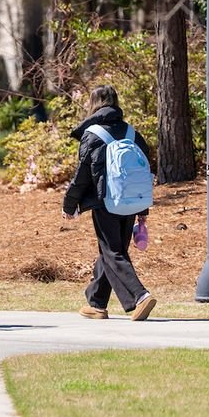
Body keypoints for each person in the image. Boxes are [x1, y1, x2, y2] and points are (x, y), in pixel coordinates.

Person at [62, 85, 157, 322]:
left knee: (112, 251)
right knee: (114, 251)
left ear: (93, 104)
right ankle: (97, 303)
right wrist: (142, 207)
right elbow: (142, 171)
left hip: (105, 202)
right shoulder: (131, 132)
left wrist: (69, 205)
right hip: (131, 201)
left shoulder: (93, 134)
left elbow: (82, 174)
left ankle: (140, 296)